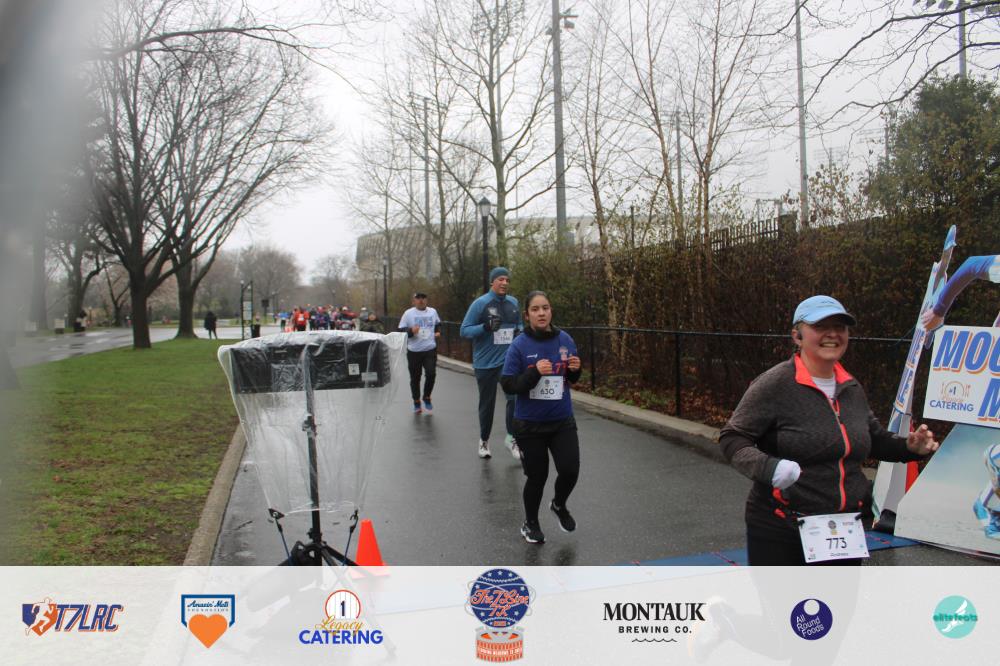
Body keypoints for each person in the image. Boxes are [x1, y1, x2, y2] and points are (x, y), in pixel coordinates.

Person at [719, 295, 940, 565]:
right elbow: (732, 438)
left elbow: (871, 439)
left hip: (844, 527)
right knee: (786, 596)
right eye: (820, 326)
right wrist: (770, 468)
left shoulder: (851, 387)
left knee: (839, 595)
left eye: (840, 327)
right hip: (783, 527)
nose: (833, 334)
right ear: (797, 336)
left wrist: (909, 447)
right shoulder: (775, 384)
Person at [501, 291, 582, 544]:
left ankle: (559, 504)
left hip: (561, 420)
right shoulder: (519, 345)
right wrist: (534, 373)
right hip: (530, 425)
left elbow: (570, 378)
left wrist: (575, 370)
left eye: (545, 308)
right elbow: (508, 384)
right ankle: (531, 523)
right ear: (527, 315)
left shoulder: (565, 339)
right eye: (535, 309)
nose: (541, 313)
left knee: (570, 470)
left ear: (551, 311)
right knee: (537, 477)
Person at [461, 267, 523, 459]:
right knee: (487, 404)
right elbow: (464, 330)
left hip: (508, 362)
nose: (504, 283)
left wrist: (520, 331)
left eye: (507, 280)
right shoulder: (480, 303)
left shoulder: (513, 302)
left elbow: (519, 324)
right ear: (492, 282)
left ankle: (511, 438)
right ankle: (484, 440)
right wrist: (485, 327)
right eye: (500, 279)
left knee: (514, 398)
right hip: (485, 363)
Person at [398, 292, 441, 415]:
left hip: (430, 349)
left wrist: (437, 332)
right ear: (414, 301)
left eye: (423, 298)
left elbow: (438, 324)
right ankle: (416, 401)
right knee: (415, 378)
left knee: (431, 374)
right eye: (418, 298)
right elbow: (400, 330)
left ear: (426, 300)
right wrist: (411, 331)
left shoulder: (433, 311)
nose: (421, 300)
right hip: (414, 351)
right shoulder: (408, 313)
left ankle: (427, 397)